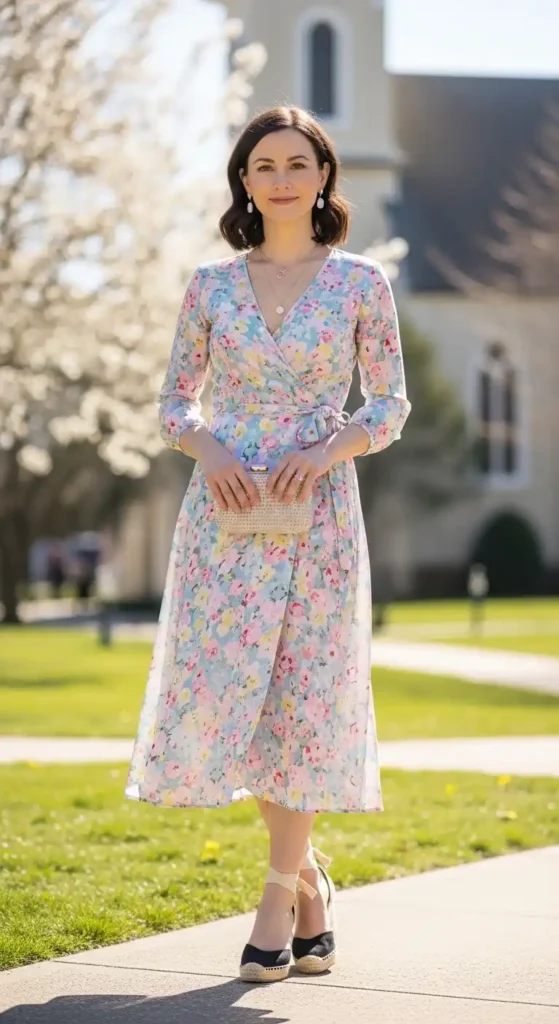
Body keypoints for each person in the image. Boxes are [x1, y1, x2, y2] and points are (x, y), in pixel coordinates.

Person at [125, 105, 412, 983]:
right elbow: (177, 401)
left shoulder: (362, 281)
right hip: (226, 517)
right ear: (243, 183)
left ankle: (278, 895)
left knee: (303, 698)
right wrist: (207, 446)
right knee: (237, 701)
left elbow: (390, 405)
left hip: (318, 515)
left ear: (323, 176)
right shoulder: (210, 286)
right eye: (263, 165)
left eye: (297, 162)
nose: (281, 177)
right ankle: (310, 883)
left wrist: (329, 450)